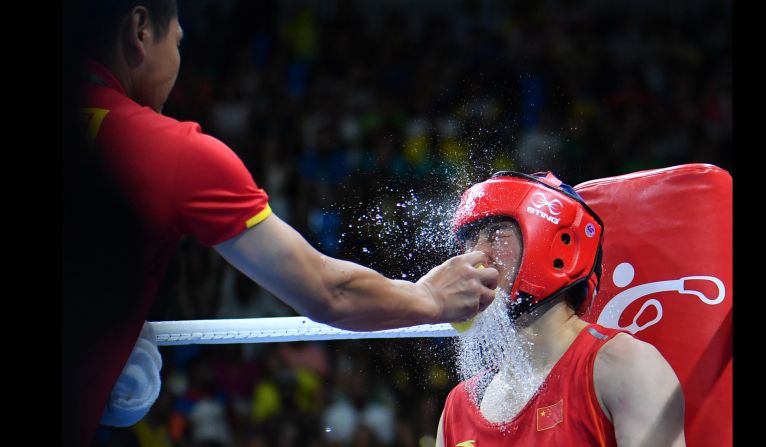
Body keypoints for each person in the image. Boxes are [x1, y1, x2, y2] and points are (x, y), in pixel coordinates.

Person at [62, 1, 498, 446]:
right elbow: (328, 291)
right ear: (140, 30)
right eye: (177, 43)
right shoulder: (169, 151)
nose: (178, 63)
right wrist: (429, 296)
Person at [435, 171, 686, 446]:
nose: (476, 254)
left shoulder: (623, 365)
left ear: (556, 244)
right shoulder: (458, 406)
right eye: (471, 239)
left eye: (497, 233)